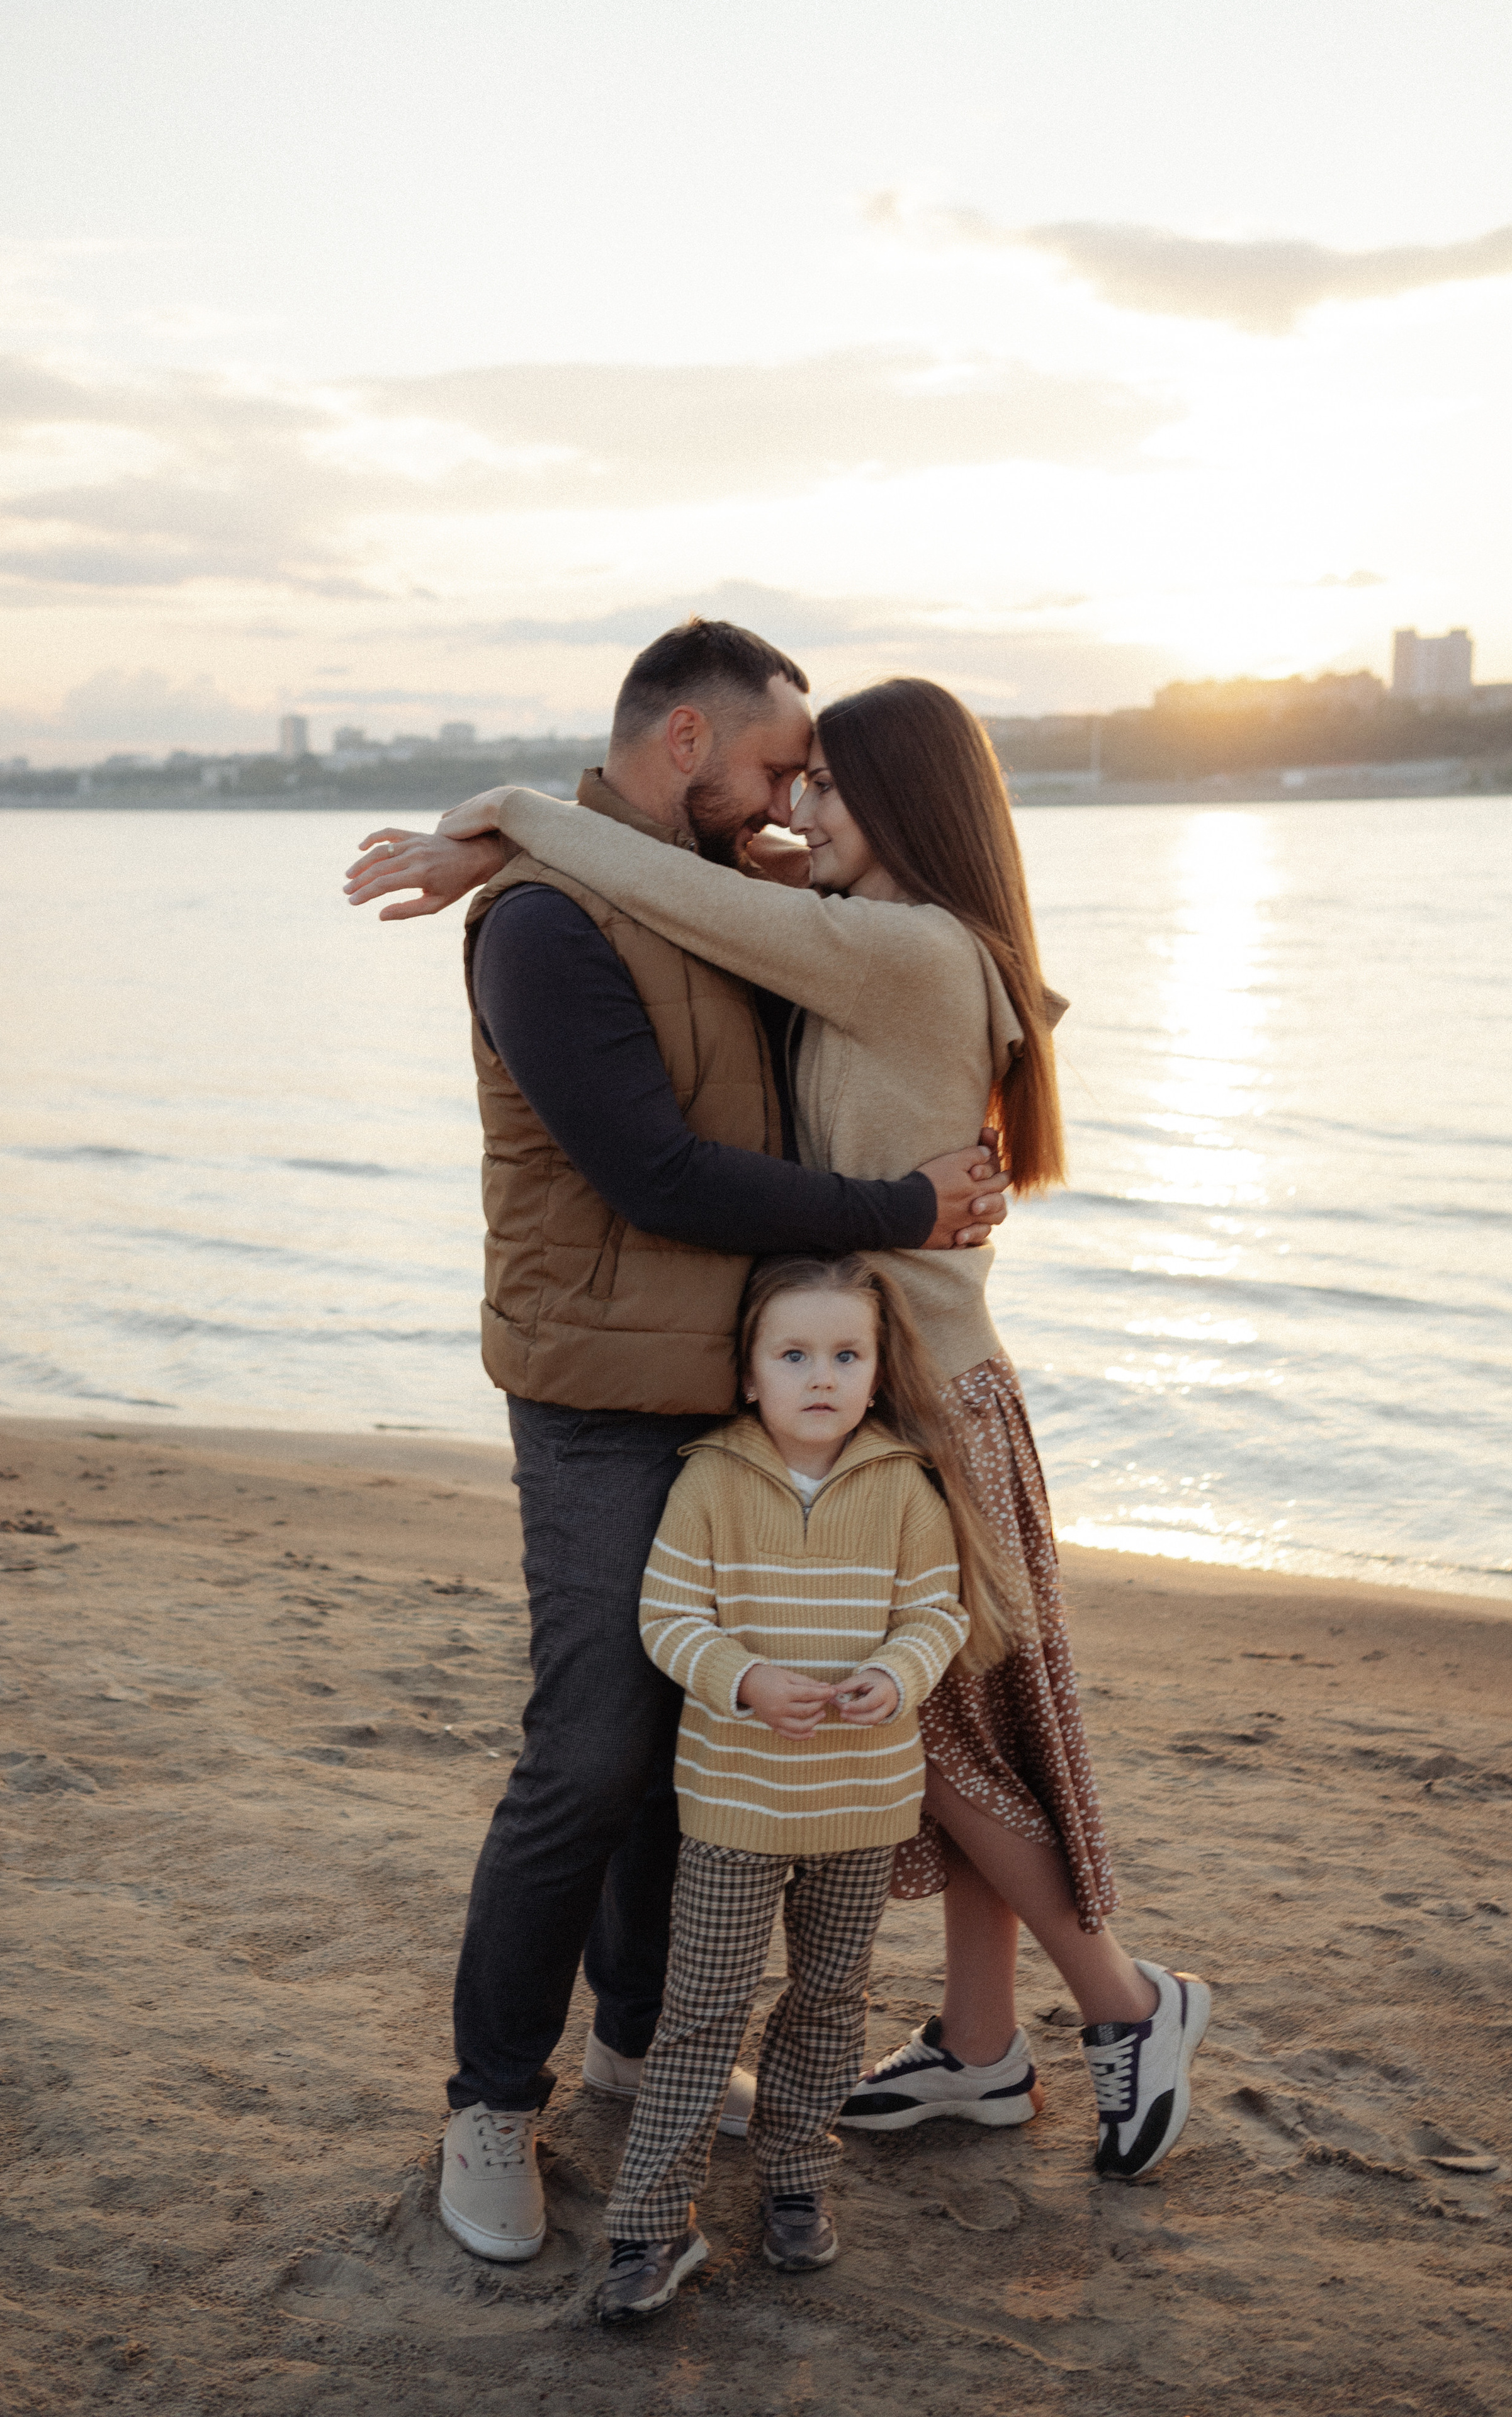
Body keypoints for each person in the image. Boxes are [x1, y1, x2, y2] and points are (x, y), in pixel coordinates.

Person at [431, 674, 1212, 2183]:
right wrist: (545, 867)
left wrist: (518, 820)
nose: (796, 811)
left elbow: (713, 901)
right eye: (793, 781)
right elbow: (730, 891)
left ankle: (1127, 2003)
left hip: (920, 1398)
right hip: (911, 1391)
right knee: (961, 1732)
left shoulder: (903, 954)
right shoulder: (908, 938)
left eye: (830, 790)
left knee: (927, 1739)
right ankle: (981, 2050)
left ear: (904, 809)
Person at [343, 623, 1010, 2264]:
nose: (795, 802)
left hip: (729, 1394)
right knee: (586, 1755)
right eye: (782, 766)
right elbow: (656, 1172)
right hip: (593, 1399)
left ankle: (642, 2046)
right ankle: (493, 2103)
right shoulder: (549, 925)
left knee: (685, 1755)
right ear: (693, 744)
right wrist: (902, 1208)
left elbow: (882, 968)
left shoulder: (699, 895)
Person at [595, 1252, 984, 2324]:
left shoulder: (904, 1483)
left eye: (846, 1355)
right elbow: (669, 1620)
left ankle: (794, 2182)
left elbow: (936, 1617)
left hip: (862, 1805)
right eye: (796, 1354)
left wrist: (896, 1677)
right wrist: (747, 1679)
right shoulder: (710, 1479)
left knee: (826, 2004)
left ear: (875, 1371)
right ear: (751, 1373)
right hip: (733, 1802)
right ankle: (648, 2223)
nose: (823, 1376)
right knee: (702, 2013)